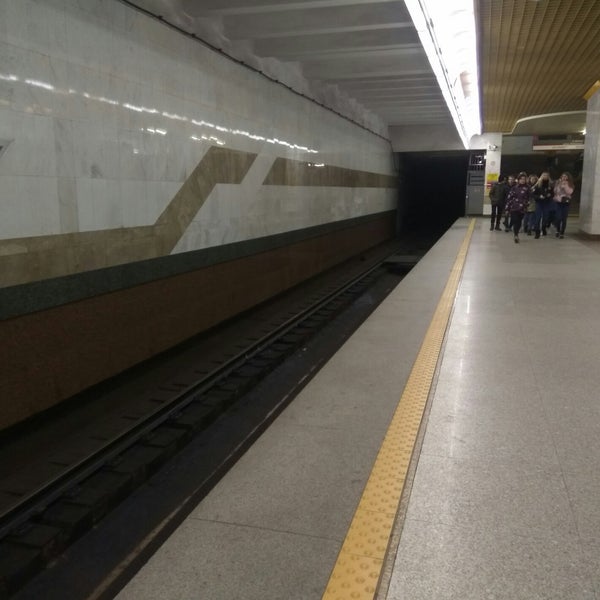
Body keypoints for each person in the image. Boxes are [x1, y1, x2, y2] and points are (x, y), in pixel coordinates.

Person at [505, 172, 532, 243]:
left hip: (522, 208)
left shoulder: (528, 188)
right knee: (515, 220)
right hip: (514, 207)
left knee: (519, 222)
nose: (522, 180)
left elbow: (530, 197)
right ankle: (516, 235)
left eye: (524, 179)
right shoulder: (514, 188)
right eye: (521, 179)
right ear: (518, 179)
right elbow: (509, 198)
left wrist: (527, 203)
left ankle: (516, 233)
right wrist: (507, 208)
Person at [531, 172, 553, 238]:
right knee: (538, 217)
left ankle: (543, 228)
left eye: (547, 176)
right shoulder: (538, 185)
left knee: (546, 217)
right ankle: (537, 231)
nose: (545, 177)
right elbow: (533, 194)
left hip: (547, 203)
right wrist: (539, 197)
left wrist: (550, 195)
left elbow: (553, 193)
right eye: (544, 175)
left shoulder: (550, 185)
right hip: (539, 203)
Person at [553, 172, 575, 238]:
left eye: (565, 176)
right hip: (559, 202)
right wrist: (559, 185)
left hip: (566, 203)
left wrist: (565, 186)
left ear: (568, 177)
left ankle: (562, 232)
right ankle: (558, 230)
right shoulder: (558, 183)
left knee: (564, 218)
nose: (564, 177)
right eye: (563, 176)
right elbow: (555, 191)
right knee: (558, 217)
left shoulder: (570, 184)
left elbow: (569, 192)